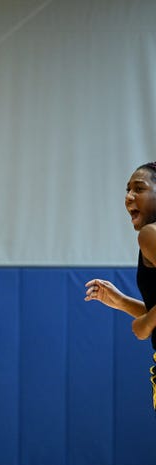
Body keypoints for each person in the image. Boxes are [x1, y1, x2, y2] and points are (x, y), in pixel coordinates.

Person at [85, 161, 156, 407]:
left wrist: (145, 324)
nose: (128, 196)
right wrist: (122, 302)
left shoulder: (150, 234)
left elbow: (150, 323)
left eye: (139, 188)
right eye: (127, 190)